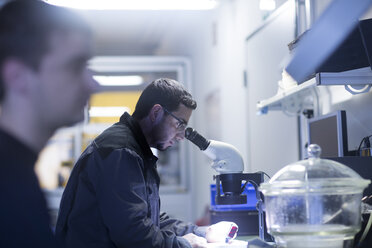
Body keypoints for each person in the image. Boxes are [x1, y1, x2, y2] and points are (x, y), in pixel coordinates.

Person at [56, 78, 233, 248]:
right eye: (179, 124)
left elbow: (149, 219)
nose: (181, 136)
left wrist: (201, 232)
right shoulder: (122, 152)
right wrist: (183, 244)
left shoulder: (135, 150)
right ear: (156, 113)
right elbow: (133, 234)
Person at [0, 1, 97, 247]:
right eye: (75, 66)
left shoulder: (19, 173)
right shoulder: (8, 186)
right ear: (18, 77)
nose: (93, 84)